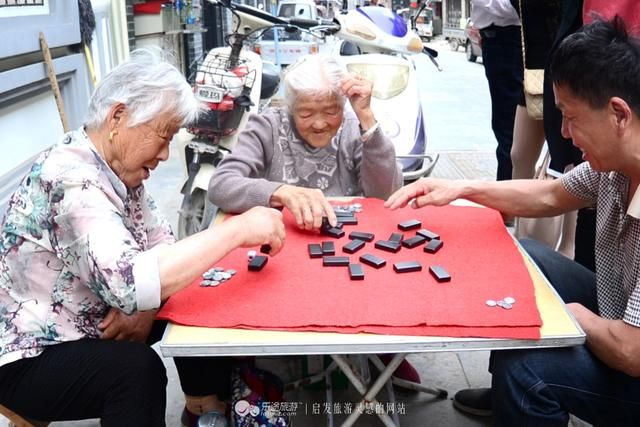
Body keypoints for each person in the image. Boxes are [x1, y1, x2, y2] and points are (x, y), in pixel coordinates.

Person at [0, 49, 286, 427]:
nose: (166, 154)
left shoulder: (119, 169)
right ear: (119, 117)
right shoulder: (72, 179)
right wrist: (237, 230)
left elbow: (163, 247)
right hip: (31, 354)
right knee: (137, 372)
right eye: (163, 135)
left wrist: (147, 308)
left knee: (201, 292)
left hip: (94, 320)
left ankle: (204, 407)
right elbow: (132, 284)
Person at [385, 18, 640, 425]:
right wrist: (460, 190)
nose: (563, 132)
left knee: (529, 364)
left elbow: (630, 351)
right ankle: (509, 394)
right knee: (519, 257)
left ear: (618, 114)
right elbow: (549, 195)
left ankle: (522, 389)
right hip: (620, 311)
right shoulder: (614, 166)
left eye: (570, 117)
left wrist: (564, 313)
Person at [209, 55, 420, 384]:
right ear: (289, 108)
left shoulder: (353, 127)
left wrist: (366, 118)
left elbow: (386, 195)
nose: (320, 123)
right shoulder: (267, 125)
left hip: (349, 246)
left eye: (331, 111)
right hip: (283, 251)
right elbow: (222, 186)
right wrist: (281, 192)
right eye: (306, 113)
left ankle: (383, 353)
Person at [471, 0, 522, 183]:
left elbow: (511, 8)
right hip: (503, 39)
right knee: (511, 131)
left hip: (508, 40)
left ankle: (509, 202)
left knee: (509, 131)